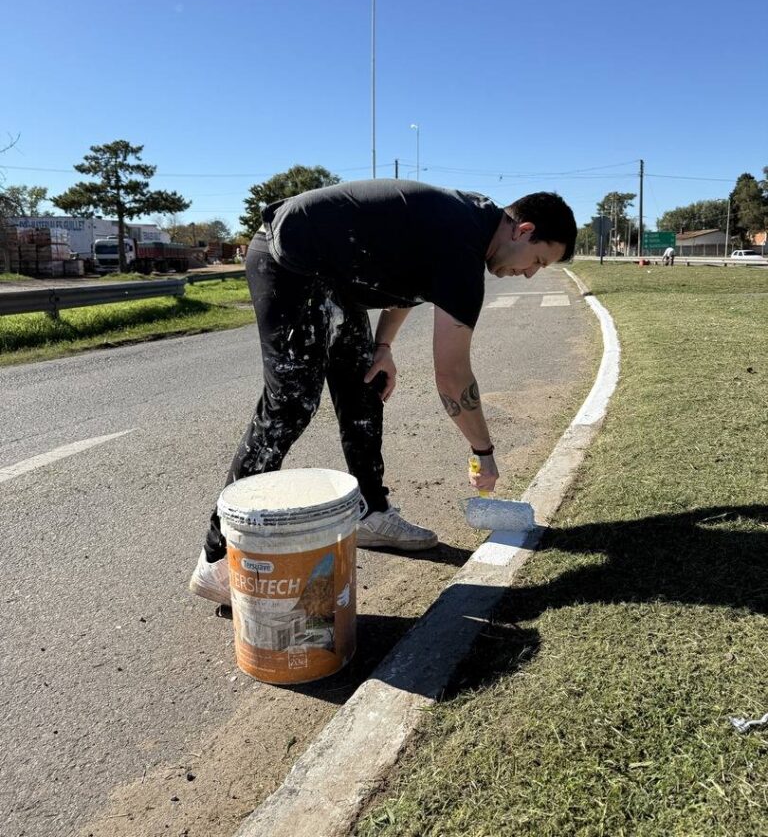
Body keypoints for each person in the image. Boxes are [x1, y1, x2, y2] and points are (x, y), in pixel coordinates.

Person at [189, 179, 577, 604]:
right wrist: (482, 450)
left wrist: (384, 346)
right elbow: (452, 375)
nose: (529, 273)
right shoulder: (464, 242)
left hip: (336, 278)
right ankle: (216, 558)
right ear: (523, 230)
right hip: (289, 258)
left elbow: (412, 279)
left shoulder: (470, 229)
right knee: (291, 404)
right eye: (537, 260)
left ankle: (371, 513)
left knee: (365, 388)